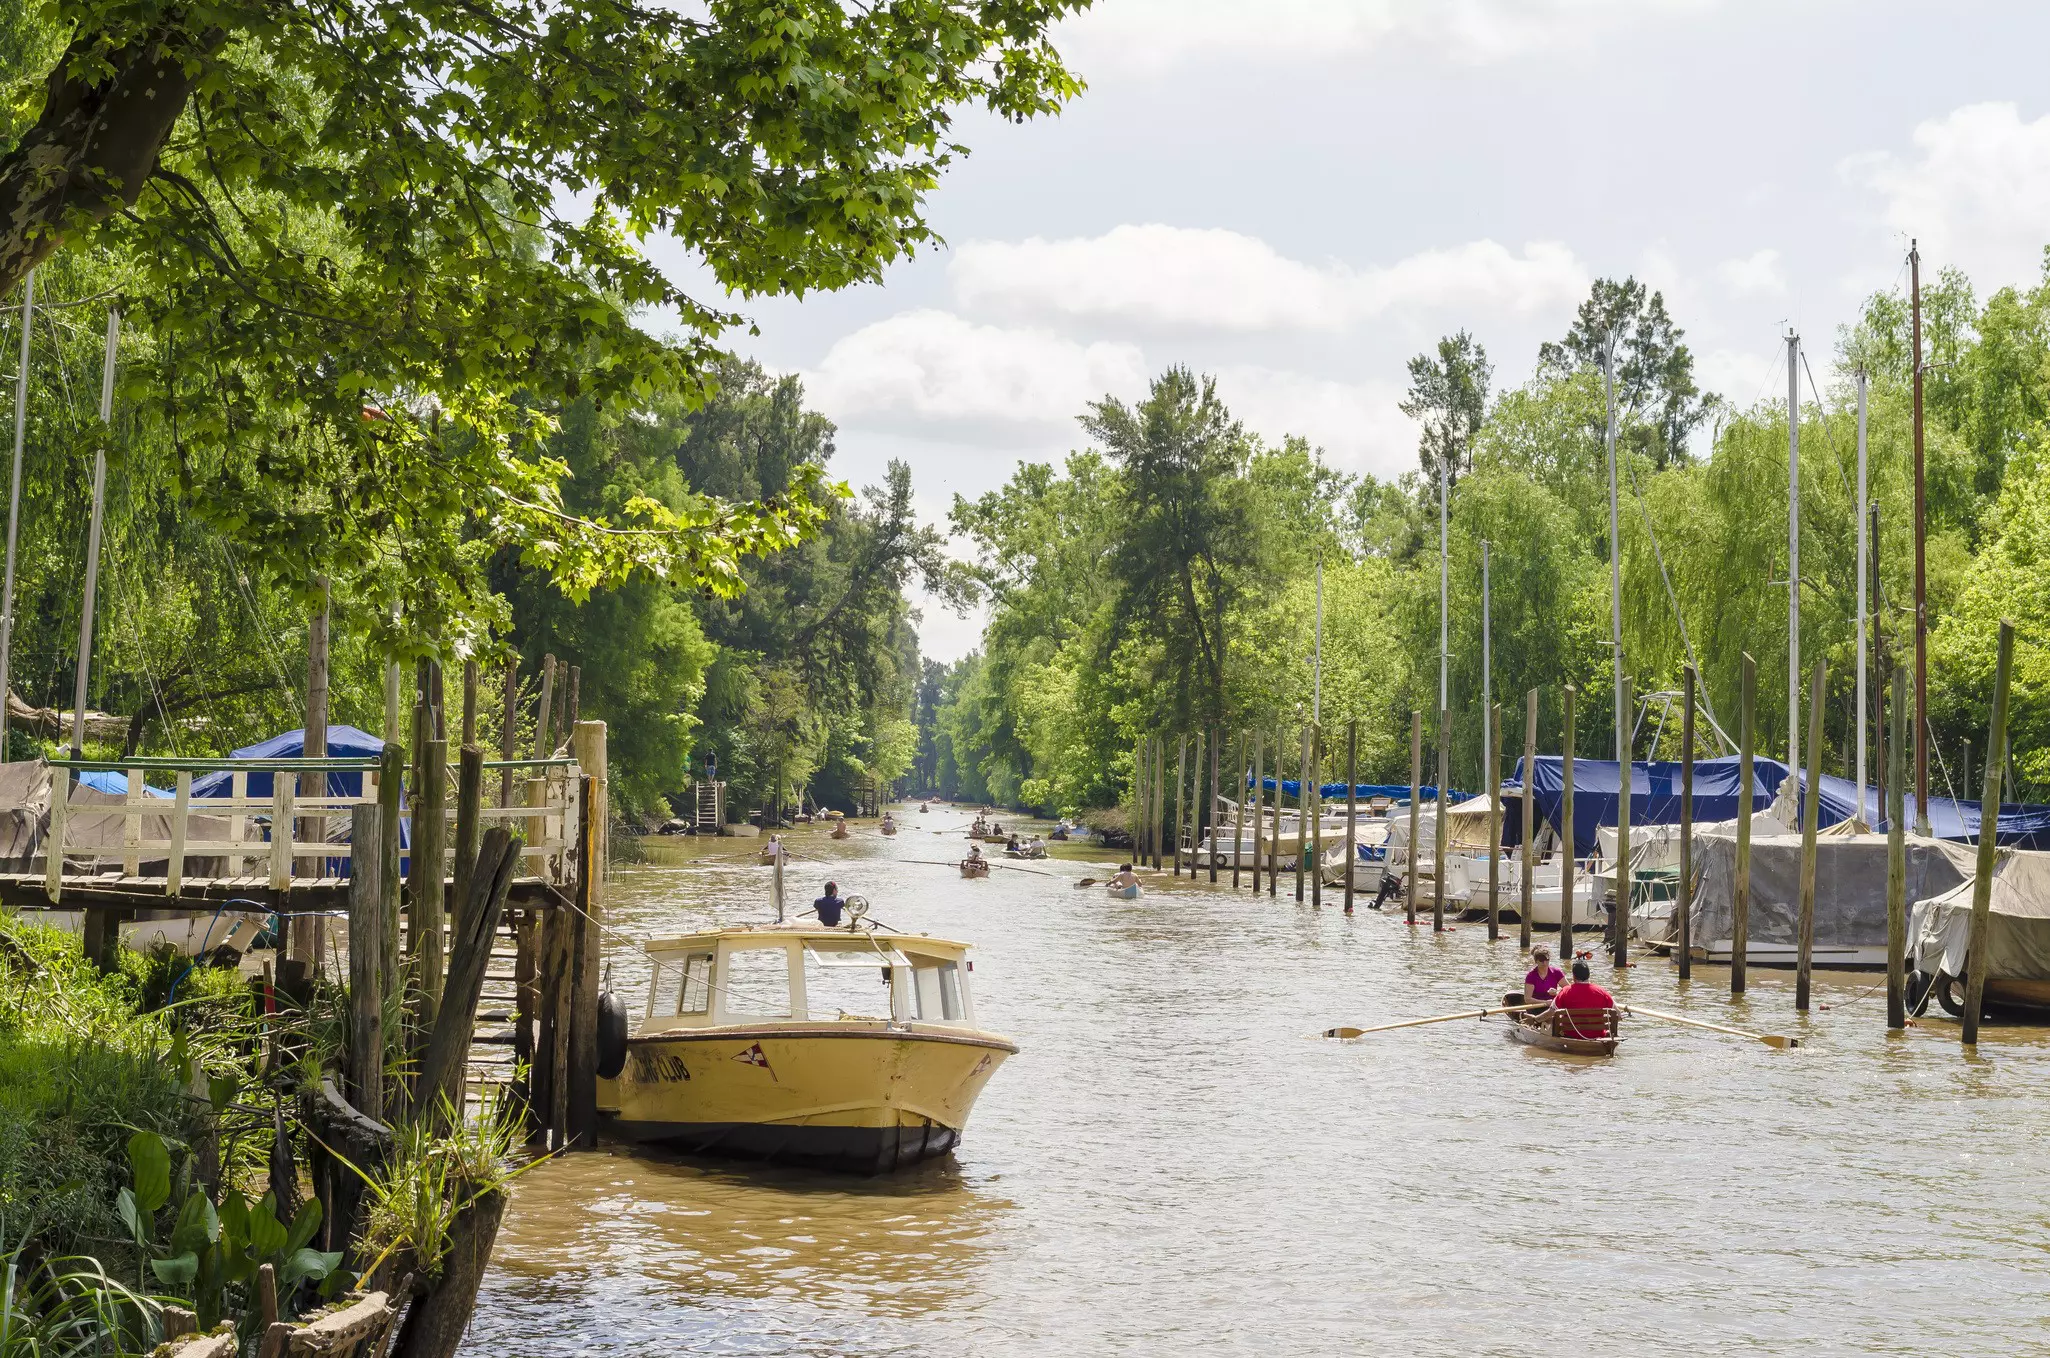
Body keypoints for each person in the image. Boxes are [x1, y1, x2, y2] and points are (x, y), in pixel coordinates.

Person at [1549, 959, 1617, 1040]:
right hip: (1598, 1036)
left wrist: (1537, 1019)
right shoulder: (1602, 992)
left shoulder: (1565, 991)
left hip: (1571, 1035)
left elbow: (1551, 1012)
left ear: (1574, 976)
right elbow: (1617, 1014)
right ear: (1588, 975)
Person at [1507, 945, 1564, 1011]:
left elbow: (1568, 989)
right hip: (1536, 1008)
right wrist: (1545, 1002)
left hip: (1553, 1007)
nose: (1544, 963)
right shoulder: (1531, 976)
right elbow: (1527, 999)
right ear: (1536, 961)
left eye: (1546, 960)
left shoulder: (1556, 972)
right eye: (1541, 960)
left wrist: (1557, 992)